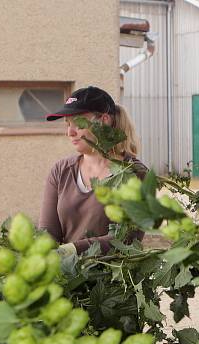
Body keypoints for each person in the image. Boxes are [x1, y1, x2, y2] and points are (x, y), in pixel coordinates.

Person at [42, 86, 146, 253]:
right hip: (66, 274)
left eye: (78, 123)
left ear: (104, 120)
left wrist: (68, 251)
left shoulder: (135, 173)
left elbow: (126, 238)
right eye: (68, 124)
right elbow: (47, 232)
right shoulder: (61, 171)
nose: (70, 132)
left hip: (114, 276)